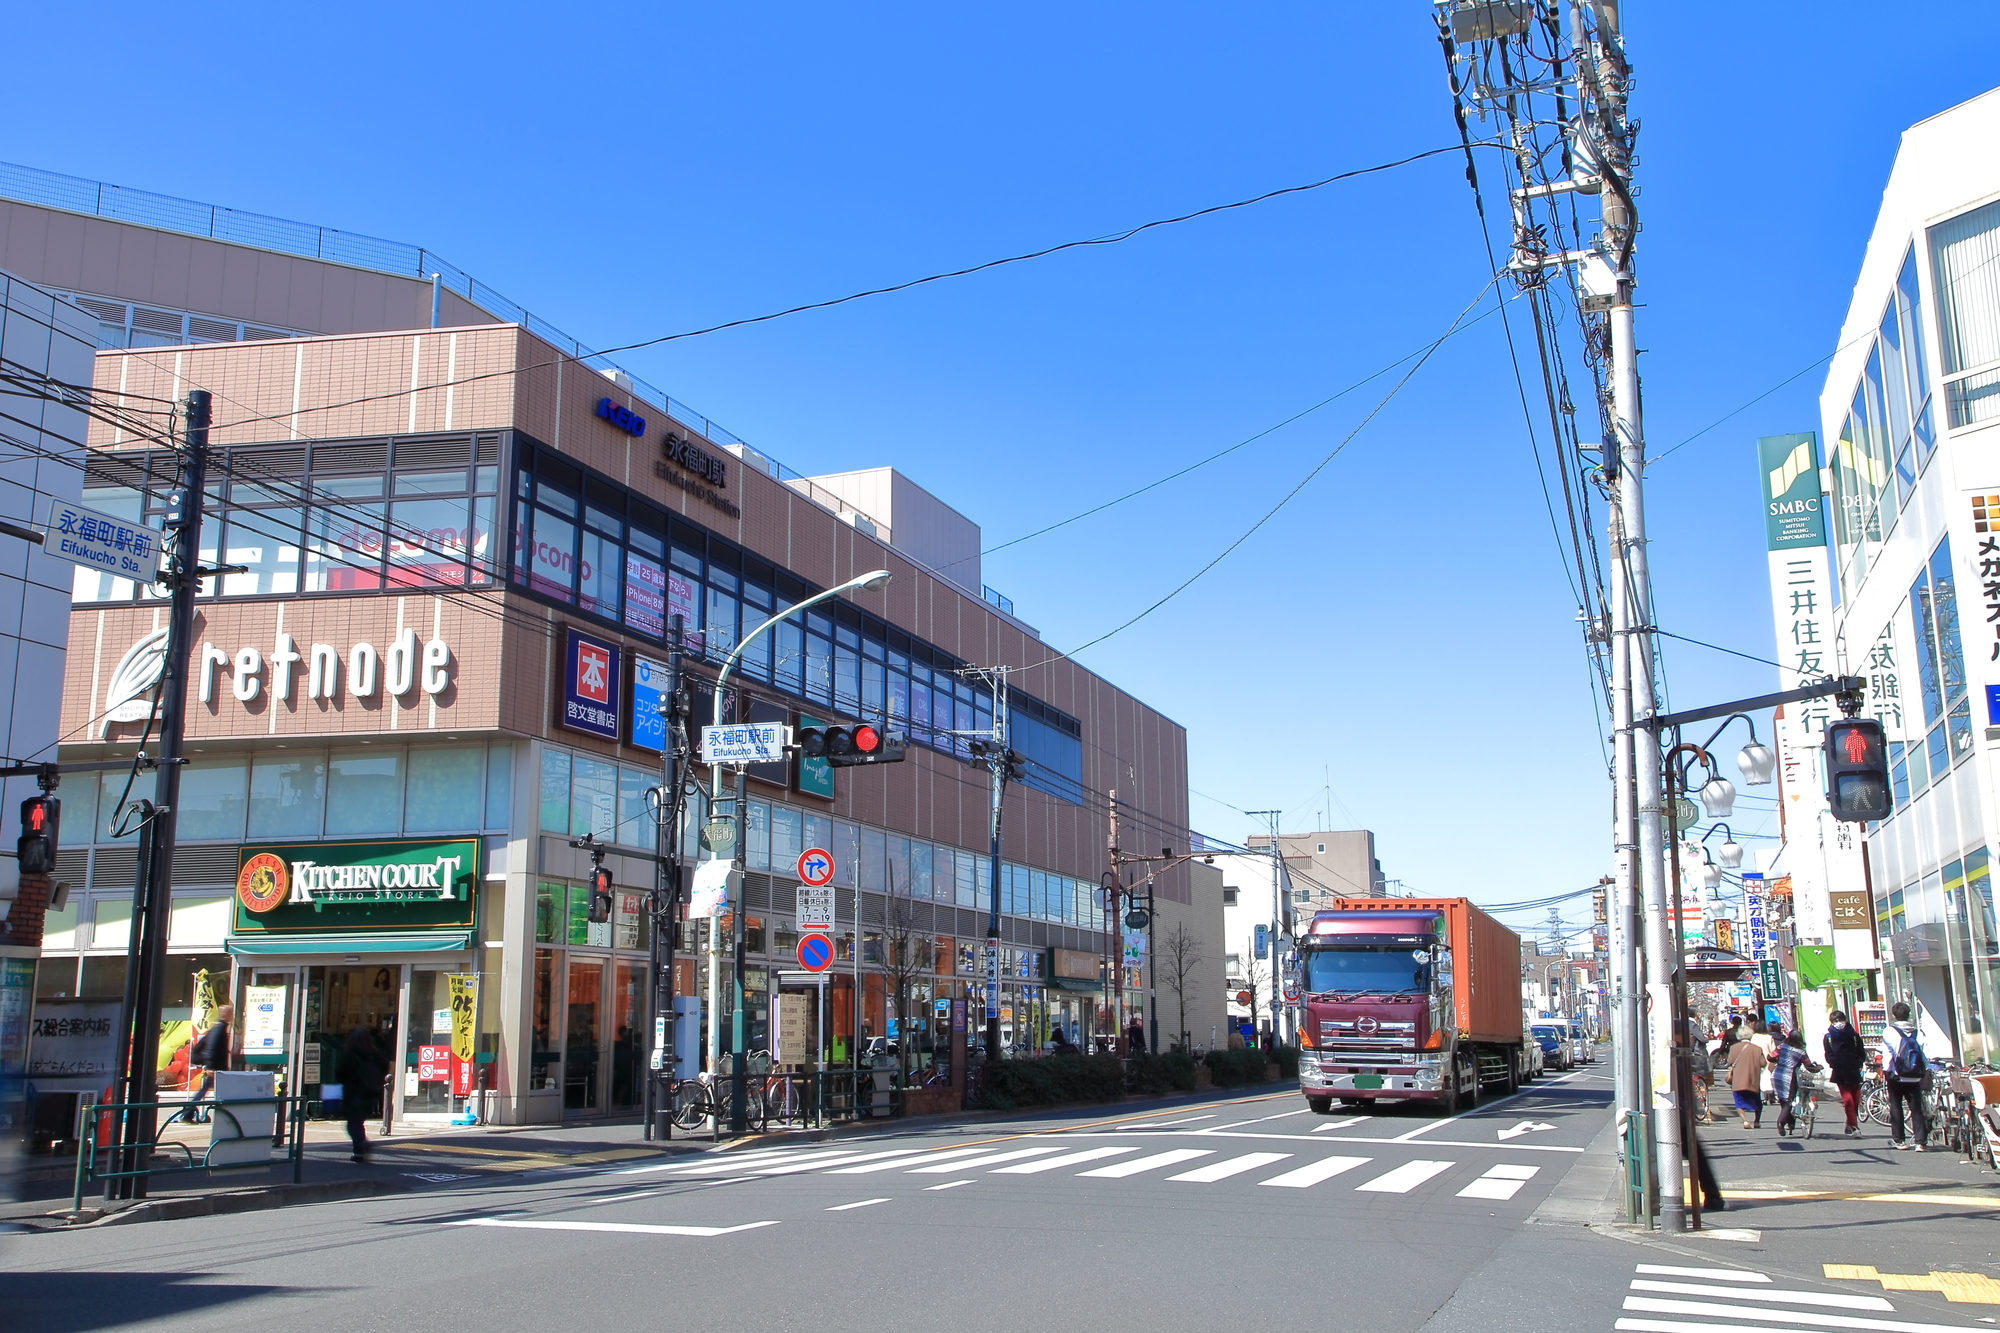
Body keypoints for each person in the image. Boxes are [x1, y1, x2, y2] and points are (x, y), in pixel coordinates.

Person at [1880, 1001, 1931, 1151]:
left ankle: (1899, 1140)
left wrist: (1886, 1071)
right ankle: (1920, 1141)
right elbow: (1924, 1055)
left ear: (1894, 1015)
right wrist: (1921, 1070)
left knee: (1896, 1106)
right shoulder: (1917, 1032)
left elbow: (1887, 1053)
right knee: (1916, 1108)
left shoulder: (1889, 1031)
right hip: (1914, 1076)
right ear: (1908, 1015)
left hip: (1896, 1075)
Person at [337, 1025, 386, 1163]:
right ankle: (358, 1153)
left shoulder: (349, 1055)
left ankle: (362, 1143)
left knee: (353, 1124)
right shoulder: (375, 1055)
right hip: (371, 1094)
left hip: (354, 1094)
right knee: (358, 1123)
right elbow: (384, 1067)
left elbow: (339, 1074)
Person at [186, 1004, 235, 1124]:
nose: (232, 1016)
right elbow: (211, 1048)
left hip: (217, 1067)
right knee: (205, 1090)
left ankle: (189, 1113)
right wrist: (211, 1066)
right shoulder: (219, 1029)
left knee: (207, 1090)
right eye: (230, 1013)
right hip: (215, 1067)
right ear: (226, 1015)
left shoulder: (220, 1028)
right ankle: (188, 1113)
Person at [1823, 1010, 1867, 1137]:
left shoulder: (1854, 1035)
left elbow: (1861, 1052)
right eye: (1835, 1021)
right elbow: (1828, 1054)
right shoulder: (1829, 1037)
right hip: (1840, 1072)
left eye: (1840, 1020)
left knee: (1856, 1100)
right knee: (1848, 1101)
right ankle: (1854, 1127)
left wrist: (1858, 1063)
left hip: (1853, 1071)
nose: (1839, 1023)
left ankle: (1849, 1124)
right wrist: (1834, 1062)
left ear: (1845, 1020)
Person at [1771, 1029, 1821, 1137]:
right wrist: (1818, 1068)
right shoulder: (1801, 1052)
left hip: (1777, 1074)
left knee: (1783, 1101)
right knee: (1788, 1102)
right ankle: (1781, 1122)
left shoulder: (1781, 1047)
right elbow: (1808, 1066)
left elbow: (1770, 1057)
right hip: (1789, 1077)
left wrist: (1779, 1060)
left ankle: (1790, 1123)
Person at [1726, 1025, 1771, 1128]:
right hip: (1753, 1080)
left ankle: (1745, 1120)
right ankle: (1756, 1121)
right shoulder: (1757, 1049)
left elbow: (1729, 1062)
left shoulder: (1733, 1048)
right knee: (1757, 1101)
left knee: (1739, 1101)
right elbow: (1763, 1063)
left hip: (1738, 1080)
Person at [1687, 1017, 1715, 1124]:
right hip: (1697, 1057)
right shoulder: (1692, 1025)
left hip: (1691, 1056)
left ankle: (1696, 1109)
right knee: (1698, 1082)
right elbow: (1703, 1039)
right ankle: (1698, 1109)